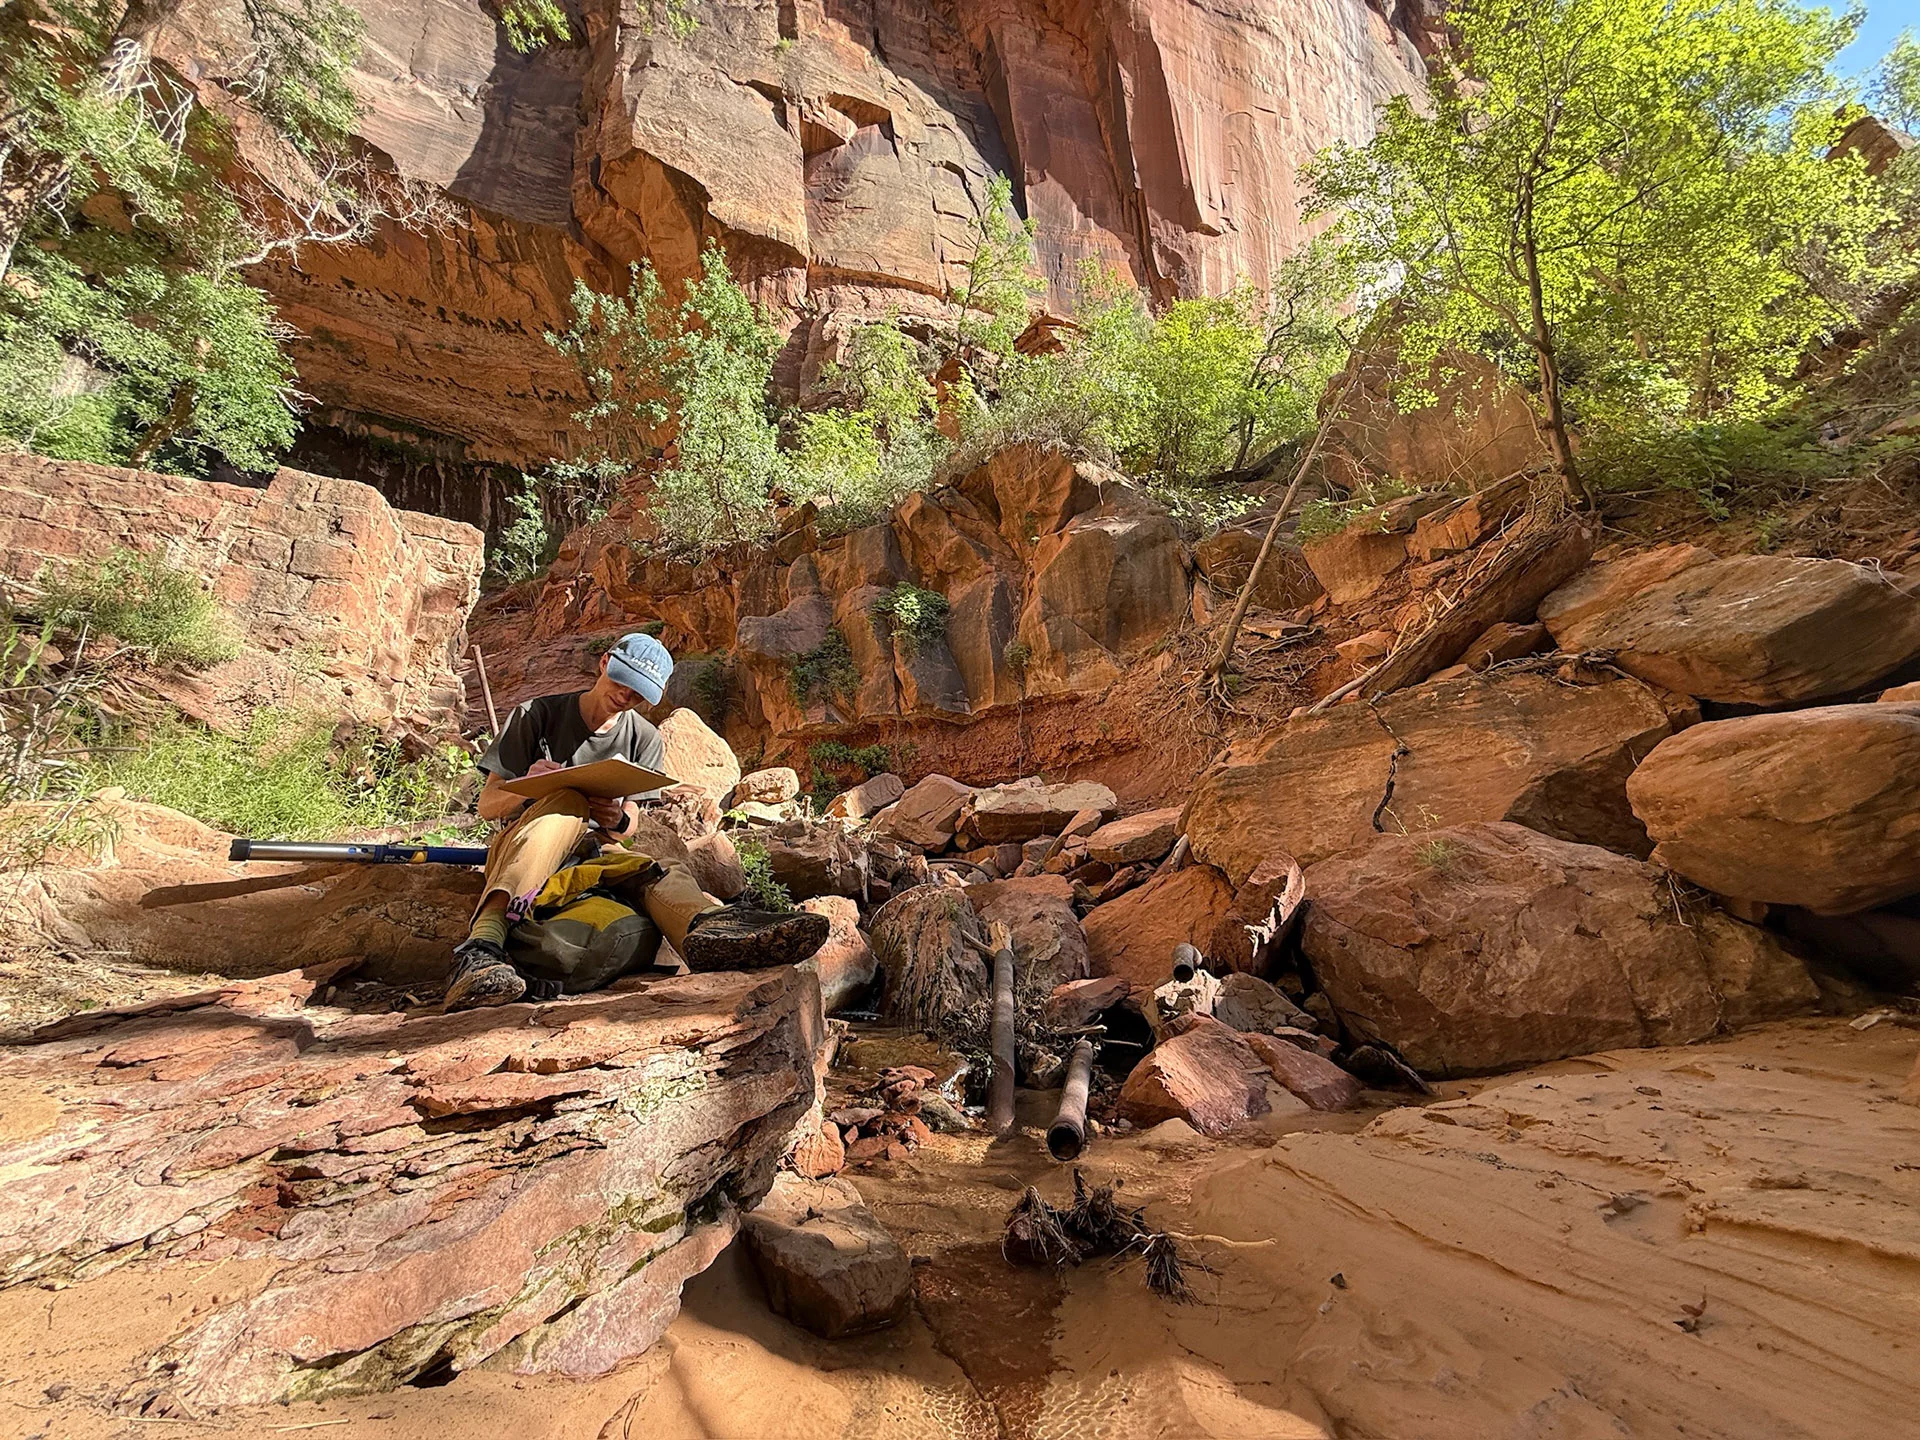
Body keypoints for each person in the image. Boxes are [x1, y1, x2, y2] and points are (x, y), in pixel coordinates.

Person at [446, 631, 827, 1010]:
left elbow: (629, 824)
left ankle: (710, 930)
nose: (626, 697)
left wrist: (615, 817)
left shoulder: (644, 738)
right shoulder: (537, 715)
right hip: (529, 847)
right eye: (623, 682)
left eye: (639, 693)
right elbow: (489, 805)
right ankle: (482, 947)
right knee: (567, 800)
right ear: (604, 662)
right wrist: (530, 785)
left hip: (596, 855)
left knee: (661, 868)